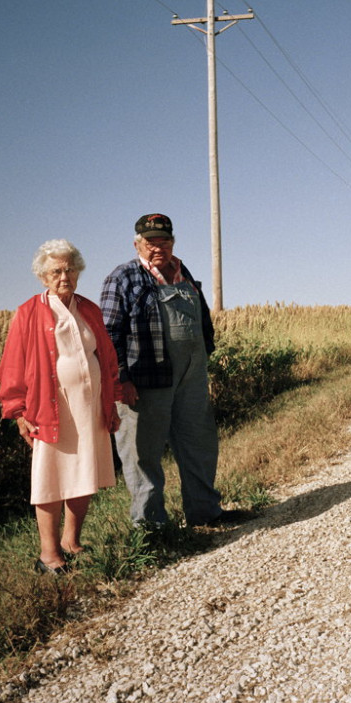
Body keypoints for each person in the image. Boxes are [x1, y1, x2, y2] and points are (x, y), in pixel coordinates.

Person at [0, 239, 124, 574]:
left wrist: (110, 400)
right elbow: (12, 364)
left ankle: (72, 541)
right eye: (56, 270)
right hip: (50, 408)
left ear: (78, 271)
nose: (64, 275)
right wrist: (17, 410)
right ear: (43, 276)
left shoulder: (89, 309)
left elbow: (106, 358)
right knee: (51, 478)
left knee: (85, 473)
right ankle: (48, 555)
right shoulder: (29, 312)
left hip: (90, 407)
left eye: (70, 268)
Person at [101, 213, 229, 527]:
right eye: (150, 242)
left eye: (164, 241)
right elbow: (109, 334)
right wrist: (122, 379)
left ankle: (204, 513)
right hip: (145, 380)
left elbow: (203, 321)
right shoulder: (123, 277)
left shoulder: (182, 271)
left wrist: (203, 357)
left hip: (191, 378)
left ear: (173, 242)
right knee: (142, 454)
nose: (158, 248)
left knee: (198, 444)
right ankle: (151, 527)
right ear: (137, 244)